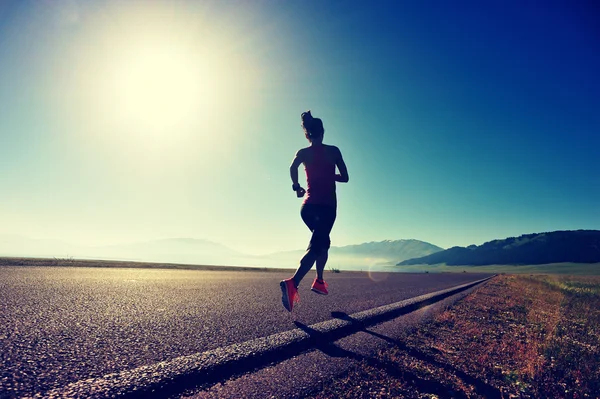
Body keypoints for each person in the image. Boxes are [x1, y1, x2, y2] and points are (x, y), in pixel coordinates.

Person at [280, 110, 349, 312]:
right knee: (318, 245)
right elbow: (345, 177)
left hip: (307, 208)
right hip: (327, 208)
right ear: (323, 132)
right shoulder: (334, 151)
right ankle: (293, 282)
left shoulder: (302, 153)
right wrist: (329, 174)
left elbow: (292, 168)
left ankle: (319, 280)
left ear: (307, 134)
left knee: (322, 242)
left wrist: (297, 187)